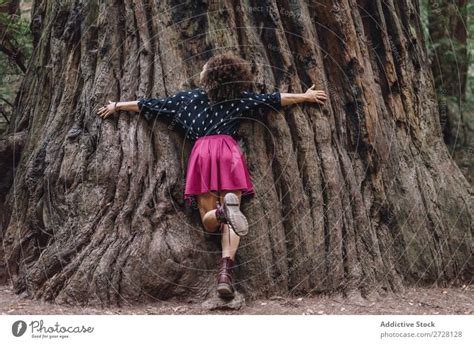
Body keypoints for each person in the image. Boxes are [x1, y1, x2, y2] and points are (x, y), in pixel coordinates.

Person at [96, 52, 328, 299]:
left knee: (210, 222)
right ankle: (225, 273)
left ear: (209, 76)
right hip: (229, 154)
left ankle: (220, 212)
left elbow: (149, 105)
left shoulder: (186, 99)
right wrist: (306, 96)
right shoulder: (239, 100)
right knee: (232, 219)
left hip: (203, 155)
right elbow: (273, 99)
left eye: (205, 67)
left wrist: (117, 106)